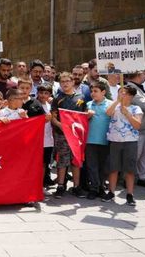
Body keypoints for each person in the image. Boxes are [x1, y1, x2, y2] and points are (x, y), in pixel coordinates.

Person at [103, 85, 144, 206]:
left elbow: (138, 125)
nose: (121, 95)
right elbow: (108, 112)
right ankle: (111, 192)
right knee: (113, 168)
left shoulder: (136, 108)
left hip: (130, 141)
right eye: (120, 92)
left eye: (124, 93)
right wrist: (117, 101)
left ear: (131, 96)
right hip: (115, 141)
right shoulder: (115, 106)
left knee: (129, 169)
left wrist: (127, 114)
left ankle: (130, 194)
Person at [51, 71, 88, 199]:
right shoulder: (57, 99)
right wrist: (61, 125)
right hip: (62, 135)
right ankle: (60, 186)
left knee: (76, 161)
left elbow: (84, 115)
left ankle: (76, 187)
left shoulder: (81, 98)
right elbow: (53, 118)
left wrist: (89, 115)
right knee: (62, 160)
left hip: (77, 135)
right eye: (62, 82)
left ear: (73, 82)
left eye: (68, 81)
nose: (65, 84)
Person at [126, 71, 145, 188]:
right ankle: (127, 177)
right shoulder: (131, 88)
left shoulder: (139, 87)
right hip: (139, 127)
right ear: (139, 75)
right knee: (135, 155)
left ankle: (142, 177)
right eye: (144, 73)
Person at [85, 82, 112, 200]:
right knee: (92, 165)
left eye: (95, 91)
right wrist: (87, 116)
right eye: (91, 91)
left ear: (103, 92)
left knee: (104, 166)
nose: (92, 93)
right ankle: (94, 188)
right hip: (90, 140)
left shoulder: (111, 104)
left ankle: (101, 186)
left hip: (106, 140)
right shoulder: (88, 104)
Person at [34, 84, 55, 186]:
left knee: (44, 164)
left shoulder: (51, 106)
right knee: (35, 164)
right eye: (41, 92)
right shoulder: (33, 104)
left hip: (48, 140)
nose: (43, 95)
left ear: (50, 95)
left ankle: (40, 185)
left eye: (46, 93)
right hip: (35, 140)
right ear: (37, 93)